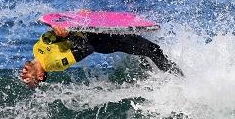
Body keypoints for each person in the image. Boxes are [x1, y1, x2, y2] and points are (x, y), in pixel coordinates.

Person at [21, 24, 183, 88]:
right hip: (102, 41)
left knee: (146, 52)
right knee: (152, 50)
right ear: (41, 76)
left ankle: (156, 72)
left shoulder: (36, 50)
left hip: (92, 31)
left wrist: (75, 20)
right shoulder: (55, 64)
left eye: (24, 77)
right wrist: (68, 34)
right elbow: (87, 49)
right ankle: (181, 80)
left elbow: (56, 35)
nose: (24, 75)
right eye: (29, 79)